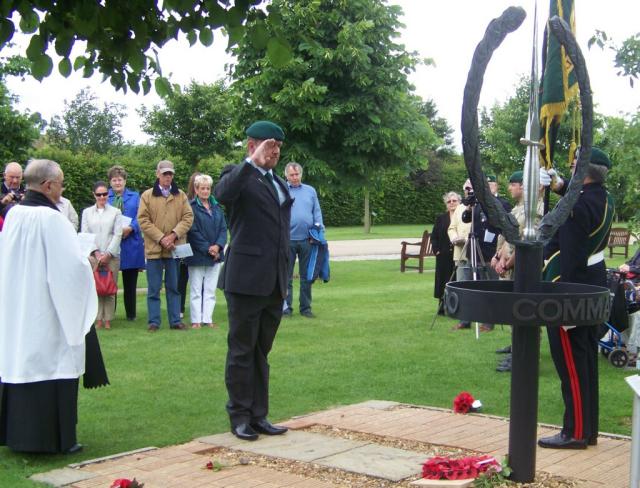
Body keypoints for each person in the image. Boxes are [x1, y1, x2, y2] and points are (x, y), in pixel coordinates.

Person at [0, 159, 98, 454]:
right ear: (48, 185)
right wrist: (88, 264)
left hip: (18, 302)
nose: (62, 189)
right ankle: (58, 439)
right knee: (54, 360)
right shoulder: (52, 219)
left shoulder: (14, 213)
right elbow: (68, 268)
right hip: (47, 308)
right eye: (60, 183)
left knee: (21, 358)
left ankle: (17, 436)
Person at [214, 120, 292, 441]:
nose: (274, 152)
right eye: (268, 146)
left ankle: (259, 414)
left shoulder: (279, 182)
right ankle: (240, 416)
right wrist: (250, 163)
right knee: (242, 350)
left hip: (274, 280)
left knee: (261, 352)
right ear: (252, 146)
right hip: (245, 280)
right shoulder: (238, 176)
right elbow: (223, 193)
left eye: (277, 147)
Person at [538, 147, 615, 450]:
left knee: (571, 365)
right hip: (592, 288)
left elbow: (569, 255)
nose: (570, 171)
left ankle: (576, 432)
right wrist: (558, 186)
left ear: (583, 171)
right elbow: (579, 202)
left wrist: (563, 299)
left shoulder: (579, 207)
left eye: (573, 167)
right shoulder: (604, 198)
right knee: (585, 364)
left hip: (570, 291)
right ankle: (588, 429)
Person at [137, 160, 193, 332]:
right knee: (154, 288)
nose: (168, 177)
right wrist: (162, 238)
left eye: (170, 174)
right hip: (154, 249)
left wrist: (174, 235)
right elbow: (143, 220)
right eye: (165, 174)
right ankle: (154, 322)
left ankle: (175, 320)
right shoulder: (147, 195)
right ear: (157, 174)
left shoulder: (181, 195)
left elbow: (188, 217)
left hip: (174, 249)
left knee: (174, 287)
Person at [185, 174, 227, 329]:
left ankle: (208, 319)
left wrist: (218, 246)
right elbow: (193, 231)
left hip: (216, 255)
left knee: (210, 289)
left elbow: (223, 229)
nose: (205, 191)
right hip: (197, 255)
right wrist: (208, 248)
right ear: (196, 190)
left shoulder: (217, 207)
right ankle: (196, 320)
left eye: (207, 188)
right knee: (196, 289)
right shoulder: (190, 207)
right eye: (202, 188)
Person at [282, 162, 324, 318]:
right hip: (287, 240)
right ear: (286, 175)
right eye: (292, 175)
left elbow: (317, 212)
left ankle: (306, 308)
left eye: (297, 174)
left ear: (301, 174)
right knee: (286, 277)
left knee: (307, 276)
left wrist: (318, 232)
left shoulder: (310, 191)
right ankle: (286, 308)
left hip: (308, 240)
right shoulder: (281, 190)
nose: (295, 177)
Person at [82, 181, 123, 330]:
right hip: (93, 256)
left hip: (111, 255)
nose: (102, 197)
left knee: (110, 288)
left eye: (105, 194)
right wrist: (96, 253)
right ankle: (98, 318)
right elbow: (85, 233)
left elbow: (118, 234)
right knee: (96, 288)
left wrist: (108, 253)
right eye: (99, 194)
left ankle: (108, 319)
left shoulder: (115, 212)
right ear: (94, 195)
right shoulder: (86, 213)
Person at [107, 165, 146, 321]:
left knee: (130, 281)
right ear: (110, 182)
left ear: (125, 181)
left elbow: (141, 216)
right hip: (112, 243)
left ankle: (131, 314)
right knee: (111, 281)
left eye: (120, 180)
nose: (117, 183)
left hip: (131, 243)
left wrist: (131, 227)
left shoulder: (135, 196)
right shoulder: (105, 197)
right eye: (114, 180)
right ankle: (110, 314)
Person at [432, 191, 460, 315]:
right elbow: (434, 236)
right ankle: (442, 306)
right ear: (446, 204)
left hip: (458, 254)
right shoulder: (441, 218)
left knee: (455, 279)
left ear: (459, 202)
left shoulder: (464, 217)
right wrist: (436, 250)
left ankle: (455, 307)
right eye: (449, 201)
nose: (452, 203)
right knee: (442, 280)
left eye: (454, 201)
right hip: (443, 255)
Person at [178, 172, 201, 319]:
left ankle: (199, 309)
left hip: (199, 244)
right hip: (186, 242)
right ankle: (179, 307)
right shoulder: (185, 200)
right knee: (182, 276)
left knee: (198, 278)